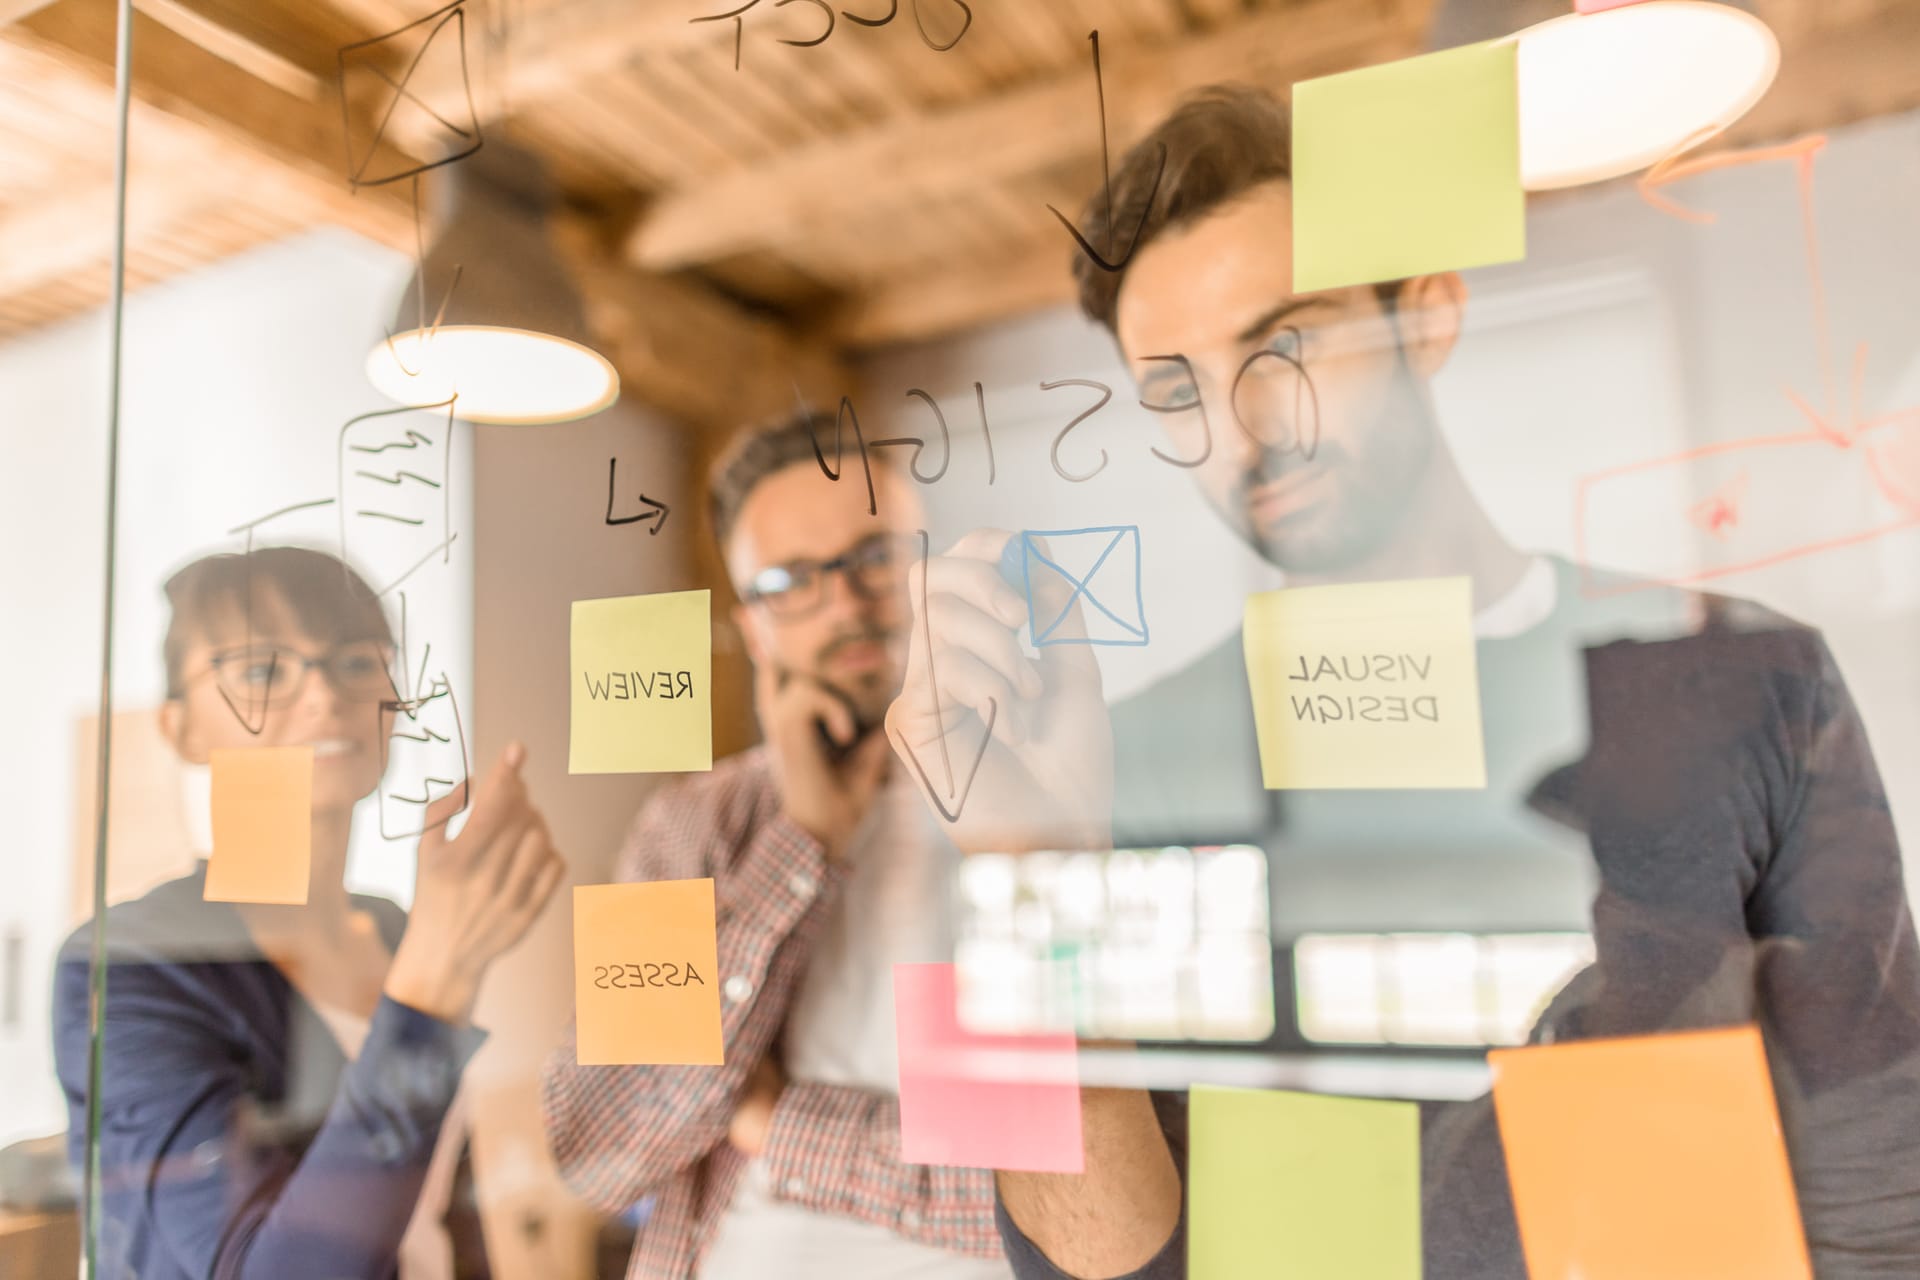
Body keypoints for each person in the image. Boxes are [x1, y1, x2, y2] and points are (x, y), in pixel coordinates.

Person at [885, 86, 1920, 1277]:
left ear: (1425, 312)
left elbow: (1878, 1175)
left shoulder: (1740, 670)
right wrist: (1028, 872)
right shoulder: (1128, 759)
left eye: (1287, 343)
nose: (1240, 431)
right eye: (1177, 390)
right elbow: (1077, 1261)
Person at [540, 413, 1009, 1280]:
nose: (845, 601)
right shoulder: (692, 824)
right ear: (753, 628)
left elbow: (1091, 1203)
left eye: (877, 555)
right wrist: (805, 841)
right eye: (790, 580)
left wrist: (775, 1122)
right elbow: (598, 1147)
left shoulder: (1044, 799)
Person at [52, 546, 564, 1280]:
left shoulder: (393, 928)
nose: (323, 697)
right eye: (262, 671)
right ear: (179, 728)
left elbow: (442, 1208)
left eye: (356, 662)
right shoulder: (132, 965)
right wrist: (438, 978)